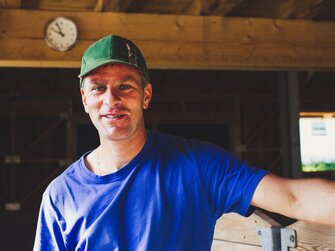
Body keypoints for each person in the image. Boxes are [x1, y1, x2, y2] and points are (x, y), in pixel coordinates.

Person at [33, 34, 335, 251]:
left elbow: (295, 198)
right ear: (85, 99)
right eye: (99, 88)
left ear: (146, 95)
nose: (112, 100)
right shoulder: (61, 195)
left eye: (125, 86)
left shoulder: (198, 164)